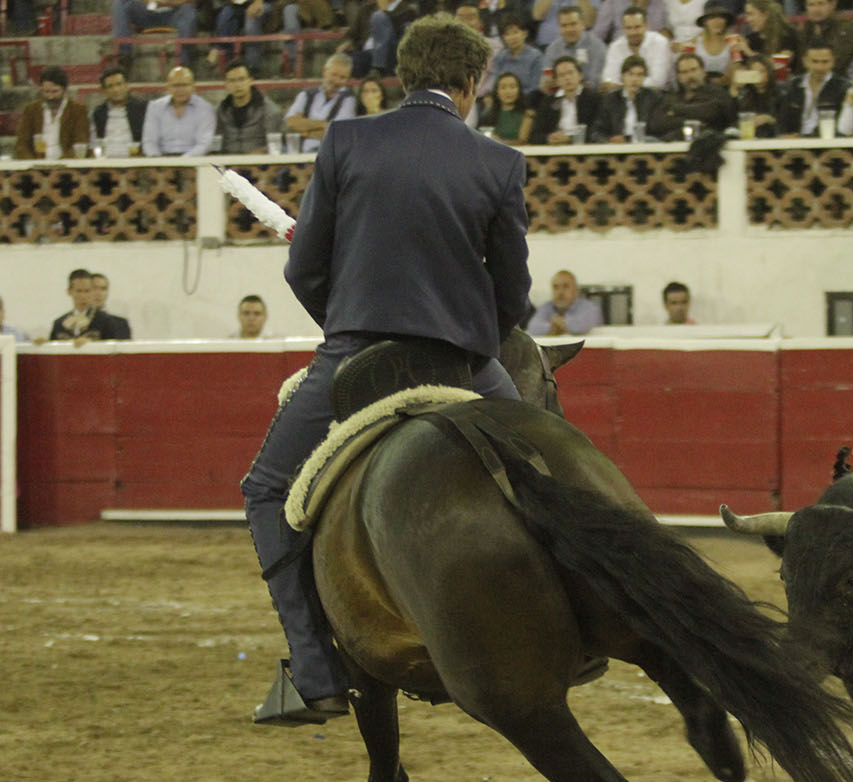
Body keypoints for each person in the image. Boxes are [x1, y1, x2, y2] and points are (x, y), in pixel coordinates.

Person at [244, 12, 532, 724]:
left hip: (357, 350)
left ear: (402, 78)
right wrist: (472, 346)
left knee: (268, 489)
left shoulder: (345, 140)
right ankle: (586, 625)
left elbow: (304, 266)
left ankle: (315, 673)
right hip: (463, 360)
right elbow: (512, 294)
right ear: (471, 84)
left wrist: (348, 325)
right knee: (550, 464)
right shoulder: (499, 161)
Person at [648, 51, 732, 139]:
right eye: (684, 72)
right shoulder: (671, 97)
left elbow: (712, 113)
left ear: (703, 72)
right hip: (674, 145)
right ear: (679, 77)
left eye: (693, 70)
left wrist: (675, 110)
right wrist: (687, 122)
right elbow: (656, 123)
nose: (690, 76)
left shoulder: (717, 93)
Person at [283, 54, 356, 153]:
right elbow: (291, 122)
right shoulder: (307, 94)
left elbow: (338, 133)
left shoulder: (348, 99)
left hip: (327, 155)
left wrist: (304, 130)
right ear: (325, 71)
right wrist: (323, 124)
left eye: (342, 77)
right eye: (334, 75)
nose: (337, 81)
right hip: (297, 153)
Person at [14, 65, 90, 160]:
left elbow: (80, 144)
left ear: (64, 90)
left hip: (67, 166)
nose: (50, 97)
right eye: (46, 91)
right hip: (36, 165)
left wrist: (60, 166)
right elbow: (21, 144)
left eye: (55, 91)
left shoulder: (78, 110)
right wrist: (32, 164)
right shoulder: (31, 110)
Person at [211, 0, 300, 76]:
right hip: (261, 5)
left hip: (287, 3)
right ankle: (252, 67)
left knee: (290, 16)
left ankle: (291, 66)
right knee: (240, 15)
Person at [142, 66, 215, 156]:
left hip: (194, 161)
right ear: (168, 87)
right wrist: (159, 162)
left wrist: (181, 162)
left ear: (193, 86)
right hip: (161, 161)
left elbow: (204, 144)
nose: (180, 90)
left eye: (184, 85)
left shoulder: (205, 108)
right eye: (175, 85)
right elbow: (149, 142)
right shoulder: (155, 107)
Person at [776, 40, 844, 137]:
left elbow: (840, 126)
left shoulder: (842, 87)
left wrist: (804, 138)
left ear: (833, 62)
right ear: (805, 61)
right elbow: (783, 119)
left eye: (825, 62)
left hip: (827, 142)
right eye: (815, 61)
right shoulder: (793, 86)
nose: (820, 67)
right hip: (793, 142)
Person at [589, 53, 662, 141]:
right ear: (622, 77)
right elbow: (596, 132)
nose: (635, 79)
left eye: (639, 75)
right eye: (630, 74)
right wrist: (609, 140)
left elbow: (659, 130)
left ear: (644, 78)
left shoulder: (653, 98)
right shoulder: (610, 100)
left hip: (646, 148)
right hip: (615, 149)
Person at [216, 59, 284, 153]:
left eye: (241, 79)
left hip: (259, 164)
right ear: (226, 85)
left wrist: (260, 153)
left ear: (251, 81)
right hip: (227, 163)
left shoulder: (269, 109)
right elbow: (215, 142)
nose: (237, 85)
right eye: (232, 81)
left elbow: (275, 145)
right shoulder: (221, 110)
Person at [600, 5, 674, 90]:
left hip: (656, 96)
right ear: (623, 29)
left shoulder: (660, 43)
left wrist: (624, 85)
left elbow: (658, 82)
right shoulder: (615, 46)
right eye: (629, 28)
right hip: (623, 98)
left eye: (637, 27)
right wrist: (631, 86)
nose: (633, 33)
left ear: (646, 26)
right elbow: (608, 80)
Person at [530, 55, 600, 143]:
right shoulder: (548, 102)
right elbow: (535, 134)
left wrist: (570, 139)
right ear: (556, 81)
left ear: (580, 75)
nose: (567, 78)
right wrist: (548, 138)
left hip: (585, 148)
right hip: (554, 149)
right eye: (562, 75)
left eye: (570, 73)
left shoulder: (595, 98)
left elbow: (598, 132)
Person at [338, 0, 420, 76]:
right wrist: (348, 42)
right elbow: (352, 34)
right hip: (367, 53)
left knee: (378, 17)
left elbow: (403, 35)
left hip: (390, 54)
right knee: (349, 61)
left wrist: (384, 10)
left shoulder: (409, 10)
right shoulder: (366, 9)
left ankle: (377, 68)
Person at [112, 0, 198, 68]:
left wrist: (167, 2)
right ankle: (123, 56)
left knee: (189, 10)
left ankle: (184, 62)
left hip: (174, 13)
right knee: (119, 2)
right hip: (147, 12)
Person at [50, 269, 124, 342]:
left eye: (87, 291)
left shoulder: (105, 321)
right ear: (69, 291)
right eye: (79, 291)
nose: (83, 296)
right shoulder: (59, 323)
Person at [543, 5, 607, 88]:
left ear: (583, 24)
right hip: (560, 94)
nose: (569, 29)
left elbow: (594, 81)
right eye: (564, 25)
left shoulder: (597, 46)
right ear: (559, 28)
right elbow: (547, 75)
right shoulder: (553, 48)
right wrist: (548, 82)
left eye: (573, 24)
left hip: (588, 95)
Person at [91, 66, 147, 158]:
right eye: (110, 86)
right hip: (105, 164)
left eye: (119, 84)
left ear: (127, 85)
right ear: (104, 91)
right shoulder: (98, 113)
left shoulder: (142, 109)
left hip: (135, 163)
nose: (115, 90)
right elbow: (94, 143)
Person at [526, 269, 602, 335]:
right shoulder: (546, 307)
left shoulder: (590, 308)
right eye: (556, 287)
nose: (560, 292)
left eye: (565, 286)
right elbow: (533, 327)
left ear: (576, 290)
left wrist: (560, 323)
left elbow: (582, 326)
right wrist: (553, 327)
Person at [797, 0, 853, 75]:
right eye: (811, 5)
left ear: (833, 5)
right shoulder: (804, 30)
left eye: (821, 3)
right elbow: (800, 63)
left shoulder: (845, 28)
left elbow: (839, 61)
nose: (816, 9)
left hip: (838, 80)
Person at [476, 71, 534, 144]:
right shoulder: (489, 115)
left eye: (512, 87)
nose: (508, 92)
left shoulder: (528, 114)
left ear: (519, 90)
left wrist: (500, 142)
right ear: (497, 91)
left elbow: (522, 141)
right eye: (503, 88)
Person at [728, 53, 778, 137]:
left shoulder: (779, 93)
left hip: (770, 139)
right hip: (745, 137)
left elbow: (785, 122)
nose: (758, 76)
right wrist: (733, 90)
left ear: (769, 73)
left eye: (762, 71)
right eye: (754, 72)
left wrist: (768, 119)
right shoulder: (744, 95)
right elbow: (731, 119)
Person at [492, 13, 544, 93]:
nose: (512, 37)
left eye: (515, 32)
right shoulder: (500, 57)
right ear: (503, 38)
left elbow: (535, 88)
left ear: (525, 33)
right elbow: (496, 86)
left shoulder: (536, 57)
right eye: (507, 34)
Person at [692, 2, 742, 81]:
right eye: (712, 17)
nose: (717, 21)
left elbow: (736, 73)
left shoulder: (733, 42)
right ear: (705, 21)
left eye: (721, 17)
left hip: (725, 89)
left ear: (726, 20)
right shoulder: (695, 43)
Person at [592, 0, 667, 44]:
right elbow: (598, 33)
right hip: (622, 48)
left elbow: (665, 33)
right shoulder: (613, 2)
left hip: (652, 48)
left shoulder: (660, 3)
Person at [90, 273, 133, 339]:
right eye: (94, 288)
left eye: (103, 289)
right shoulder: (74, 322)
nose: (98, 293)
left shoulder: (121, 324)